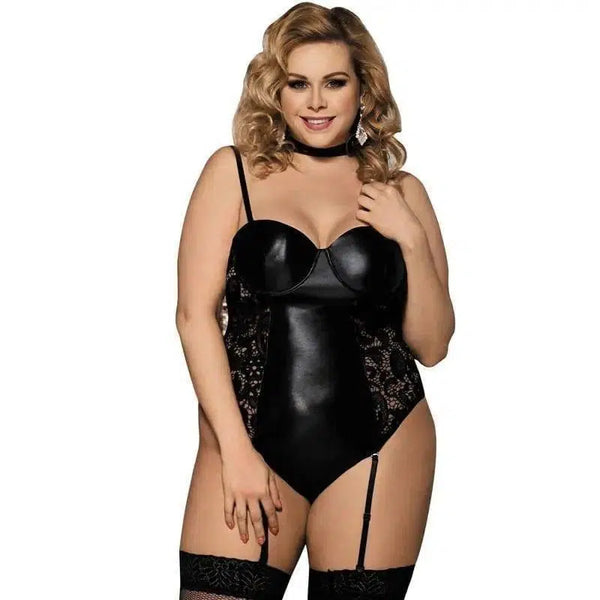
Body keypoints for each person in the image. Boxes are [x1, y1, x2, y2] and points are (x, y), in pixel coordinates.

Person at [175, 3, 454, 598]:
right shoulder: (234, 172)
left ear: (363, 89)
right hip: (246, 437)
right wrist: (235, 452)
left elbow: (432, 346)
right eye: (298, 84)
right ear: (275, 92)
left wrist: (409, 237)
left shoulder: (402, 192)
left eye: (335, 82)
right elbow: (194, 317)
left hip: (383, 446)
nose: (317, 102)